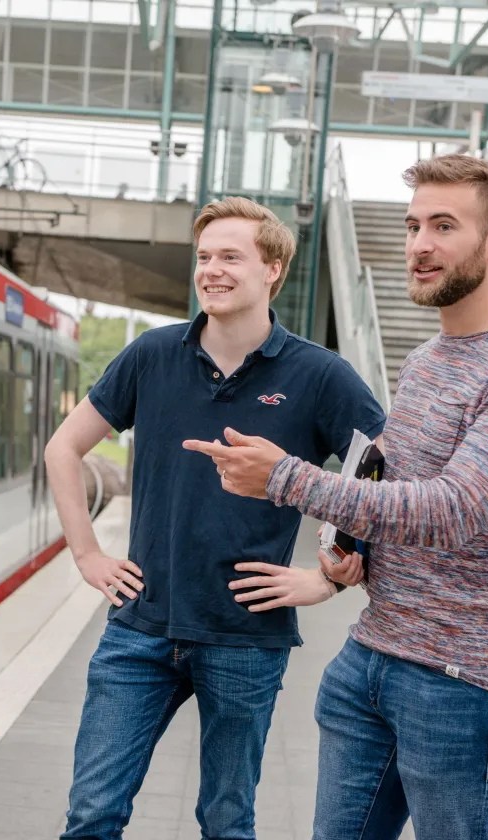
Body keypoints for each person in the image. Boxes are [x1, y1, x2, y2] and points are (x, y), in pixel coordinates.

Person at [186, 155, 488, 840]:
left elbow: (453, 510)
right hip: (373, 657)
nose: (420, 245)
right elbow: (392, 485)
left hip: (465, 682)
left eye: (444, 226)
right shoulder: (428, 358)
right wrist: (352, 551)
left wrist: (286, 478)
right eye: (412, 225)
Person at [44, 196, 386, 840]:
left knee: (226, 821)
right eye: (204, 257)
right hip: (139, 630)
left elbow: (382, 466)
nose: (213, 270)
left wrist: (331, 578)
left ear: (273, 268)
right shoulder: (151, 356)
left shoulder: (319, 374)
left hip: (245, 637)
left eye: (232, 256)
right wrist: (87, 555)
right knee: (91, 816)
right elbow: (63, 448)